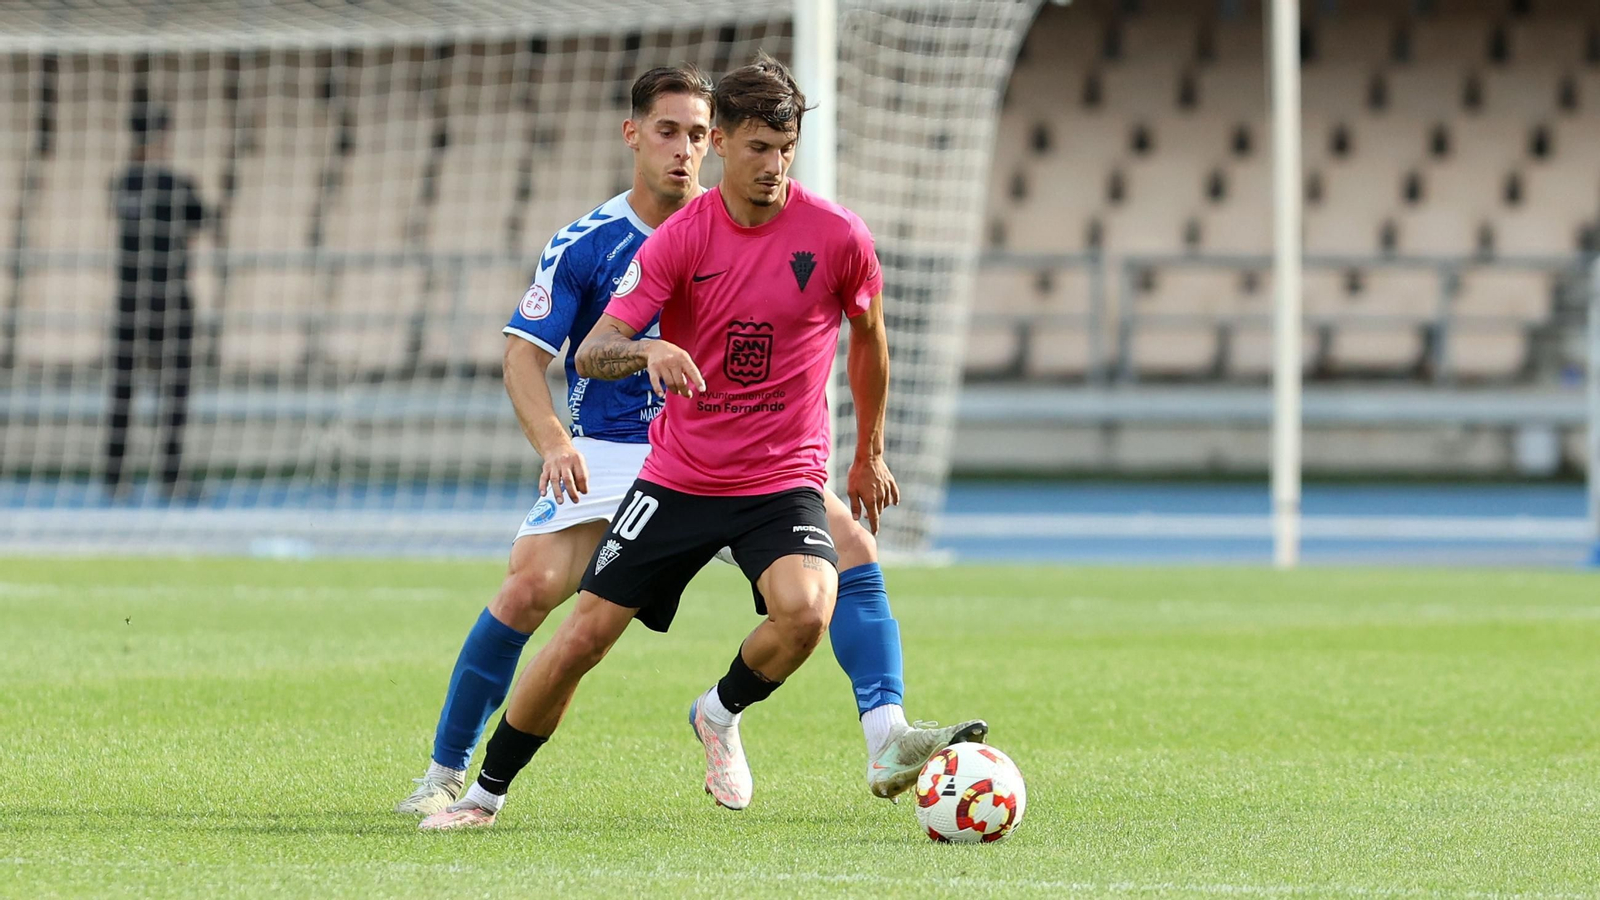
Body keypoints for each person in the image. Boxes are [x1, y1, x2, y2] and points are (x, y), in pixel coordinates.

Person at [419, 53, 982, 832]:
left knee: (828, 581)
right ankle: (464, 785)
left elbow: (870, 338)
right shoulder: (644, 240)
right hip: (651, 464)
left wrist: (868, 450)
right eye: (753, 147)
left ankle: (837, 729)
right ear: (705, 141)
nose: (772, 165)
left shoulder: (835, 234)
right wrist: (603, 393)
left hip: (774, 469)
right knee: (560, 615)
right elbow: (561, 352)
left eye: (785, 148)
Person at [106, 105, 206, 500]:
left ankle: (116, 479)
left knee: (123, 389)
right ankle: (171, 477)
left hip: (130, 296)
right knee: (174, 391)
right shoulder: (178, 185)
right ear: (164, 136)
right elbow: (199, 227)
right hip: (169, 295)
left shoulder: (120, 183)